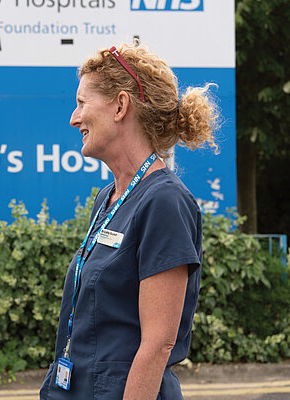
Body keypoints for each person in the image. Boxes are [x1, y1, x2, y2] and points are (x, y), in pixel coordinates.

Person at [40, 43, 218, 399]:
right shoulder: (107, 198)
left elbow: (158, 346)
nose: (74, 118)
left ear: (120, 106)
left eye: (82, 103)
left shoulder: (164, 201)